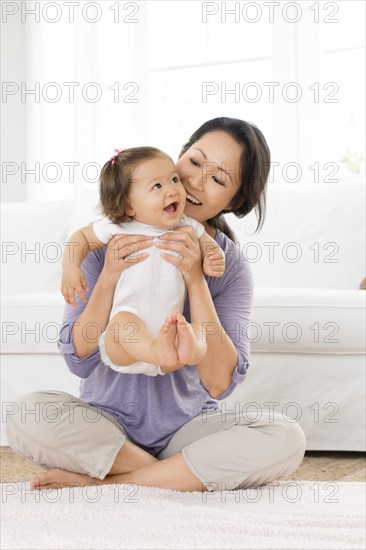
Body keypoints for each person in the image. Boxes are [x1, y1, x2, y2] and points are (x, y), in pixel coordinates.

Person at [5, 117, 306, 493]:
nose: (195, 183)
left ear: (236, 200)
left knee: (284, 437)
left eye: (218, 179)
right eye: (195, 163)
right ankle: (174, 475)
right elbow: (78, 359)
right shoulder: (109, 241)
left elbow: (219, 383)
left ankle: (109, 481)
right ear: (178, 156)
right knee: (23, 414)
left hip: (188, 430)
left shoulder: (226, 264)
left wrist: (196, 279)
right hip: (106, 423)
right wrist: (111, 274)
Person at [61, 146, 225, 377]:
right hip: (125, 347)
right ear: (128, 205)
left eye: (174, 179)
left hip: (168, 336)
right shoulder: (119, 227)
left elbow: (212, 248)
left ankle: (188, 349)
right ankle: (158, 349)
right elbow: (80, 238)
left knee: (197, 331)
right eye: (157, 186)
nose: (172, 190)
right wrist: (70, 267)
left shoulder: (187, 227)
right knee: (121, 323)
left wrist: (212, 260)